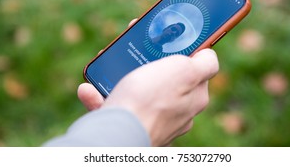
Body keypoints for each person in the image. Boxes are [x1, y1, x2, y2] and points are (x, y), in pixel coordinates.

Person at [44, 21, 219, 147]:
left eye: (176, 34)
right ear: (166, 27)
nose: (172, 33)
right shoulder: (145, 38)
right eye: (173, 29)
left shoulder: (167, 57)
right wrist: (140, 125)